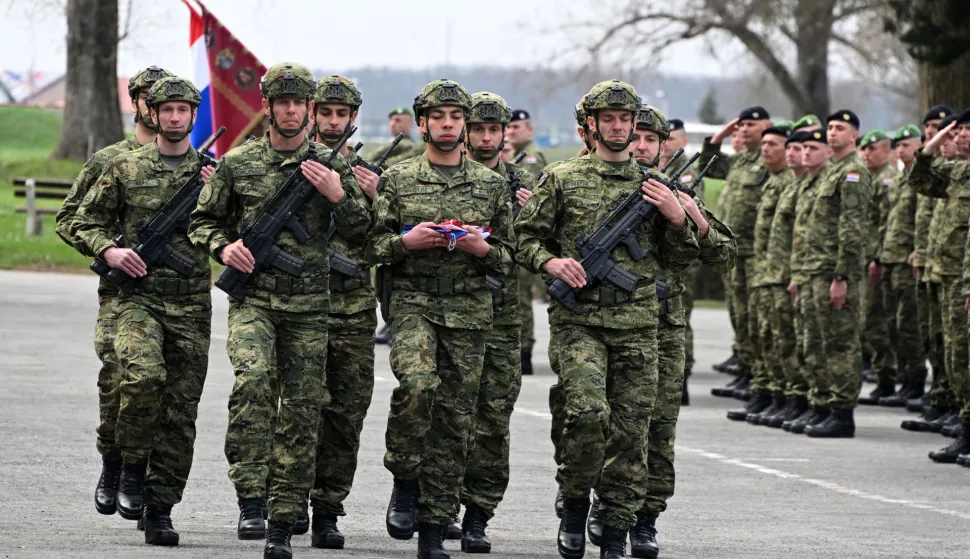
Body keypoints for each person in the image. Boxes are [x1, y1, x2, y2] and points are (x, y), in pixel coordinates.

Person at [189, 62, 371, 559]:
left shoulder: (332, 164)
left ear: (309, 110)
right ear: (267, 107)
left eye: (300, 103)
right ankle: (251, 495)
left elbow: (364, 230)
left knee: (303, 409)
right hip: (254, 300)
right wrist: (224, 248)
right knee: (253, 383)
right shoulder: (238, 163)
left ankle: (284, 517)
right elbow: (202, 220)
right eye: (282, 102)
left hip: (311, 307)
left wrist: (338, 194)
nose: (291, 111)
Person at [515, 79, 698, 559]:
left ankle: (615, 529)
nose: (618, 128)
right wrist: (550, 263)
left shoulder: (656, 186)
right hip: (580, 322)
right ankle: (576, 502)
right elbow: (524, 237)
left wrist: (678, 219)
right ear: (591, 126)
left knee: (632, 432)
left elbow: (683, 258)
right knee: (589, 415)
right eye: (608, 119)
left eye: (625, 120)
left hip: (640, 326)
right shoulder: (561, 178)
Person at [367, 79, 515, 559]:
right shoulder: (398, 179)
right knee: (418, 386)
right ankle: (405, 476)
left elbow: (512, 259)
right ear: (424, 123)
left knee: (455, 420)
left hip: (470, 311)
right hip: (413, 303)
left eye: (456, 118)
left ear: (465, 126)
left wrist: (481, 247)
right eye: (439, 117)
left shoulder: (492, 185)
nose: (448, 125)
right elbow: (369, 244)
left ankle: (433, 530)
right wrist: (404, 244)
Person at [74, 76, 213, 546]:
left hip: (192, 304)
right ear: (151, 113)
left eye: (183, 110)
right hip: (136, 298)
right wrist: (109, 251)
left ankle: (160, 509)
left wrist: (221, 197)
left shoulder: (216, 175)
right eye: (166, 110)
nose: (175, 118)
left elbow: (243, 230)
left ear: (194, 115)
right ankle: (127, 463)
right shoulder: (126, 168)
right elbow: (79, 218)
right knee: (140, 378)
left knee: (180, 411)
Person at [54, 65, 173, 518]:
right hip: (122, 295)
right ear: (137, 101)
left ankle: (143, 477)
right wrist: (107, 251)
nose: (155, 106)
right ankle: (113, 461)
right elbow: (70, 218)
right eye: (147, 97)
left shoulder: (195, 161)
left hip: (178, 297)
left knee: (163, 391)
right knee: (119, 382)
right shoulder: (110, 160)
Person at [625, 105, 736, 559]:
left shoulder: (677, 191)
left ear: (665, 145)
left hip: (664, 325)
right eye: (636, 137)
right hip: (604, 322)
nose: (641, 146)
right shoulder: (583, 184)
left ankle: (646, 520)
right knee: (606, 423)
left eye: (652, 139)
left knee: (658, 427)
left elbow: (723, 254)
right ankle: (597, 503)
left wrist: (691, 218)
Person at [304, 75, 380, 549]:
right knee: (295, 410)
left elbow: (384, 243)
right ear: (312, 114)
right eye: (326, 113)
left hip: (352, 307)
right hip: (297, 305)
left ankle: (329, 509)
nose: (334, 123)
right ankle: (284, 500)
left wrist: (368, 199)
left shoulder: (371, 176)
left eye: (342, 115)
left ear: (353, 119)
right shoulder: (284, 162)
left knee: (345, 414)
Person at [457, 90, 535, 552]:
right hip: (452, 311)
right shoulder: (444, 177)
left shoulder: (526, 184)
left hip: (503, 317)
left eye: (494, 130)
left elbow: (544, 246)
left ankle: (478, 513)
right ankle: (438, 505)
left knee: (492, 420)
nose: (486, 138)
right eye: (478, 129)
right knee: (446, 414)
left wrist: (529, 216)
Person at [790, 110, 871, 438]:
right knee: (817, 342)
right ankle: (822, 405)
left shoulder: (853, 173)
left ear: (854, 136)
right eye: (830, 128)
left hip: (835, 273)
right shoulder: (830, 173)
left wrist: (842, 277)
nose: (832, 133)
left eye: (840, 128)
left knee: (839, 343)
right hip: (814, 271)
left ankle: (842, 412)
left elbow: (851, 229)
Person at [909, 113, 970, 464]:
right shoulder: (961, 173)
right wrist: (933, 143)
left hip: (964, 280)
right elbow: (918, 179)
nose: (958, 137)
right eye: (956, 131)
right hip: (950, 275)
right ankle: (965, 427)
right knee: (955, 356)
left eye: (964, 131)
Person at [699, 108, 772, 397]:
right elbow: (710, 166)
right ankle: (745, 368)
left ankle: (757, 373)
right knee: (738, 312)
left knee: (755, 316)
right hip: (736, 251)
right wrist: (719, 135)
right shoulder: (742, 160)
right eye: (740, 126)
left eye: (750, 125)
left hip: (756, 252)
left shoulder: (768, 161)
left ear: (767, 127)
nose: (743, 130)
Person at [732, 125, 795, 423]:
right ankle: (768, 391)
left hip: (780, 273)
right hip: (762, 269)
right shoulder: (773, 182)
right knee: (761, 333)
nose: (766, 149)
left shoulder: (789, 182)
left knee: (782, 336)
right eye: (765, 143)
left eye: (774, 144)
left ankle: (787, 395)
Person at [857, 130, 904, 405]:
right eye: (863, 149)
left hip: (878, 259)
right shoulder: (864, 178)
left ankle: (888, 377)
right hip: (862, 258)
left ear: (887, 151)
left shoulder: (888, 181)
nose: (866, 153)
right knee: (867, 321)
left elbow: (888, 224)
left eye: (872, 149)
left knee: (876, 321)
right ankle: (883, 375)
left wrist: (877, 258)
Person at [505, 109, 548, 177]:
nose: (510, 131)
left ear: (529, 130)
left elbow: (531, 185)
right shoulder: (516, 153)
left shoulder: (532, 155)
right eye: (508, 127)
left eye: (516, 127)